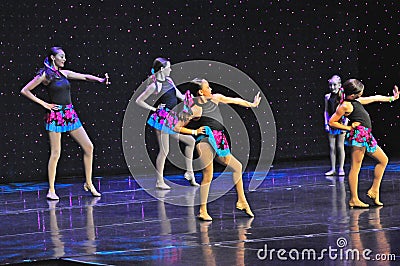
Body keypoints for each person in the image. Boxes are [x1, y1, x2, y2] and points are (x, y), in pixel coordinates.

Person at [20, 46, 109, 200]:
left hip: (70, 114)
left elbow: (84, 77)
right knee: (56, 153)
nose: (64, 59)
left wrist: (100, 80)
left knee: (89, 146)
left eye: (64, 57)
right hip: (56, 116)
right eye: (61, 56)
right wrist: (44, 104)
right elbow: (25, 90)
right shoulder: (45, 75)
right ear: (53, 57)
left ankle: (88, 183)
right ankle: (52, 190)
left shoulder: (64, 73)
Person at [174, 78, 261, 221]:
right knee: (208, 174)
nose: (211, 89)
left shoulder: (216, 98)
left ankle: (241, 201)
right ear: (201, 92)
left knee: (237, 166)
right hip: (205, 140)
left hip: (219, 139)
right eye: (208, 87)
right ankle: (202, 210)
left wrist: (251, 104)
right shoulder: (195, 109)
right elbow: (177, 127)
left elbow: (234, 100)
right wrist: (194, 132)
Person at [329, 79, 398, 208]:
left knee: (383, 160)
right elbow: (332, 122)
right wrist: (349, 128)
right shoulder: (345, 105)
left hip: (367, 136)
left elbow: (375, 98)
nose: (362, 93)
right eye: (360, 91)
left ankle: (374, 190)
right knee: (356, 167)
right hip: (359, 137)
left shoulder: (357, 101)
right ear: (353, 94)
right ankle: (354, 199)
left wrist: (392, 98)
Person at [136, 57, 199, 189]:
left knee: (191, 141)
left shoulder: (169, 81)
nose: (170, 69)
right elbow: (139, 101)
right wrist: (154, 109)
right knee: (164, 151)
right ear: (161, 69)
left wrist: (191, 98)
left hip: (171, 119)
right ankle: (159, 181)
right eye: (168, 67)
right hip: (162, 120)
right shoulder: (155, 85)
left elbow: (180, 96)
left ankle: (189, 173)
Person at [324, 75, 346, 176]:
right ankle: (333, 168)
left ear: (339, 85)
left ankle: (341, 168)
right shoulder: (327, 97)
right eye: (330, 85)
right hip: (331, 123)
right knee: (332, 147)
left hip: (341, 123)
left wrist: (345, 124)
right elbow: (326, 111)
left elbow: (347, 111)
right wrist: (326, 123)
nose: (332, 87)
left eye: (334, 85)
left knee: (340, 146)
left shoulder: (343, 97)